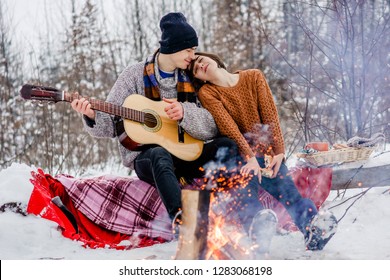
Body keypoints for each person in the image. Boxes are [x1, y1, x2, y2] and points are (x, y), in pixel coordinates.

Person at [70, 13, 237, 225]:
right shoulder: (133, 75)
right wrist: (91, 115)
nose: (192, 55)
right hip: (150, 160)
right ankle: (183, 222)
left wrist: (186, 113)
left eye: (194, 50)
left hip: (187, 154)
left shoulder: (191, 76)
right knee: (159, 154)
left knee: (227, 146)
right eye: (189, 49)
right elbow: (109, 127)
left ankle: (232, 212)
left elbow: (212, 125)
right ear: (173, 47)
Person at [188, 52, 338, 251]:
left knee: (289, 194)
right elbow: (228, 128)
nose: (200, 65)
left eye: (201, 60)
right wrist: (249, 158)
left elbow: (270, 114)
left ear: (213, 59)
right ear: (199, 79)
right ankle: (258, 235)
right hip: (239, 157)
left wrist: (279, 152)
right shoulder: (208, 93)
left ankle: (313, 231)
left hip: (267, 156)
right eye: (196, 69)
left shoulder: (253, 76)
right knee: (246, 194)